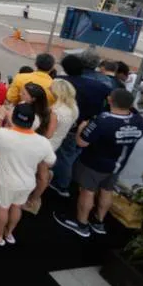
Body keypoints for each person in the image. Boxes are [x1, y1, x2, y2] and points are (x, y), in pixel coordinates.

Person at [54, 88, 143, 238]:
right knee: (107, 191)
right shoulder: (140, 121)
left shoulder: (103, 121)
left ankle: (81, 223)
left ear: (110, 101)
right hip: (118, 164)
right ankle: (99, 221)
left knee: (87, 192)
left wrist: (80, 129)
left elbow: (81, 142)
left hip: (93, 164)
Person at [0, 103, 56, 246]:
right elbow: (50, 161)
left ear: (13, 117)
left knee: (2, 207)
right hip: (27, 182)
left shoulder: (4, 134)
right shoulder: (43, 142)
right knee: (17, 206)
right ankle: (9, 233)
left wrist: (1, 117)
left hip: (5, 181)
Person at [50, 53, 113, 197]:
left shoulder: (63, 82)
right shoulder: (101, 85)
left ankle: (62, 185)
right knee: (75, 153)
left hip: (70, 125)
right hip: (90, 125)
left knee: (65, 155)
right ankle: (70, 179)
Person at [24, 79, 78, 214]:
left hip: (47, 145)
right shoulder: (73, 108)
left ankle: (33, 200)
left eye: (52, 89)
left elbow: (48, 134)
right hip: (57, 143)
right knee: (43, 170)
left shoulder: (56, 111)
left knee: (42, 174)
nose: (50, 91)